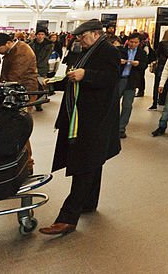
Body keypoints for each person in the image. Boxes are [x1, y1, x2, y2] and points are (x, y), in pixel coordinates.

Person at [40, 19, 122, 236]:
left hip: (95, 119)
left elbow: (112, 79)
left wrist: (87, 75)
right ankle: (88, 202)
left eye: (83, 37)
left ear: (96, 34)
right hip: (84, 116)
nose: (80, 41)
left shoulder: (108, 51)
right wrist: (55, 82)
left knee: (85, 163)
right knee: (93, 161)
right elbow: (74, 74)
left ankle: (67, 218)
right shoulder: (88, 50)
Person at [0, 33, 39, 173]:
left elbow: (14, 77)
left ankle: (27, 164)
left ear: (8, 43)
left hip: (23, 94)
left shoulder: (21, 51)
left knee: (20, 127)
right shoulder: (13, 50)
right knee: (14, 127)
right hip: (15, 93)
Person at [116, 33, 148, 139]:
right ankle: (111, 125)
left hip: (131, 81)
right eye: (131, 42)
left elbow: (144, 65)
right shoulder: (120, 51)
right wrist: (119, 62)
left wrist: (138, 64)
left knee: (127, 105)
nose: (133, 44)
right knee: (113, 103)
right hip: (119, 80)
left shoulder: (141, 53)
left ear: (139, 43)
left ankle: (121, 128)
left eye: (135, 42)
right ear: (127, 41)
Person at [148, 29, 168, 110]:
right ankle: (167, 102)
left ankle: (154, 103)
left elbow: (157, 54)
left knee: (157, 84)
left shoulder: (161, 43)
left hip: (161, 66)